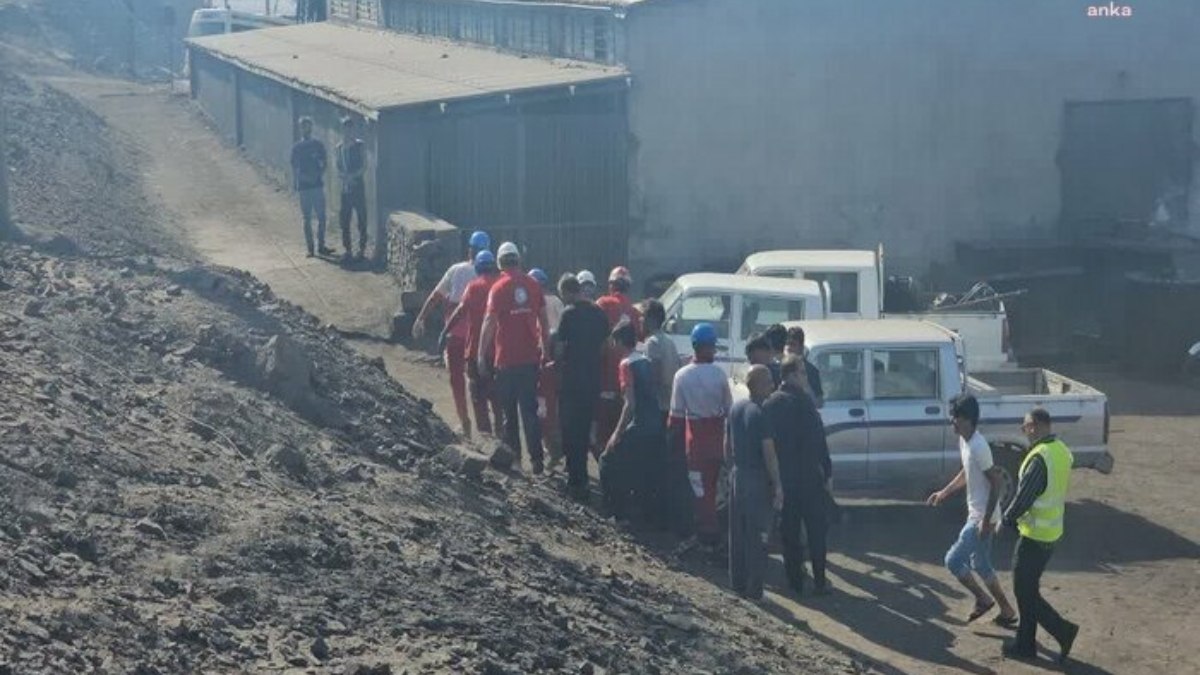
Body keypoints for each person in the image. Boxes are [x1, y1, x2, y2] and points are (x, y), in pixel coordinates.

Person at [928, 394, 1018, 627]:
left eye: (955, 417)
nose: (952, 421)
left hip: (981, 517)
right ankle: (1007, 610)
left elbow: (996, 483)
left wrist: (985, 521)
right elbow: (966, 473)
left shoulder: (979, 446)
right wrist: (944, 492)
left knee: (953, 560)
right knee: (980, 564)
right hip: (978, 514)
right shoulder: (964, 441)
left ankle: (983, 599)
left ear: (967, 419)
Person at [1001, 408, 1079, 664]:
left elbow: (1024, 497)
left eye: (1025, 426)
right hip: (1052, 532)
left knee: (1023, 591)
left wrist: (1006, 519)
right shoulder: (1061, 450)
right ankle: (1027, 643)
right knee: (1028, 589)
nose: (1023, 431)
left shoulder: (1039, 457)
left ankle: (1060, 631)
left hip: (1034, 536)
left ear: (1035, 426)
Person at [478, 242, 551, 473]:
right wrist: (546, 349)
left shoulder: (498, 288)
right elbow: (544, 321)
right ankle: (537, 461)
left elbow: (489, 323)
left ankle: (516, 460)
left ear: (500, 263)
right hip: (530, 359)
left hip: (506, 361)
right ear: (518, 260)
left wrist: (481, 354)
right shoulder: (533, 285)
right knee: (529, 411)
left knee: (509, 413)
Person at [765, 355, 833, 595]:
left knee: (790, 532)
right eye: (803, 373)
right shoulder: (805, 403)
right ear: (791, 375)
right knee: (816, 532)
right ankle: (820, 581)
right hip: (809, 477)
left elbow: (768, 444)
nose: (806, 378)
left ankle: (795, 582)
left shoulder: (771, 404)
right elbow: (820, 441)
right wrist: (827, 472)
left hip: (785, 478)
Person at [413, 230, 491, 437]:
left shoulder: (456, 270)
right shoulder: (492, 278)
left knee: (457, 379)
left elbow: (436, 296)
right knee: (482, 383)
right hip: (480, 338)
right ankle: (488, 429)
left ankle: (465, 423)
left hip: (455, 335)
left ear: (470, 250)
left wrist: (421, 318)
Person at [669, 323, 733, 544]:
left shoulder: (682, 375)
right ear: (708, 347)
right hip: (717, 438)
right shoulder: (719, 374)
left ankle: (705, 530)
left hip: (695, 441)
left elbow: (675, 417)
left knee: (698, 487)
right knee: (716, 486)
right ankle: (714, 529)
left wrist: (670, 444)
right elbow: (729, 409)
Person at [727, 365, 784, 600]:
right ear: (759, 385)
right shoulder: (761, 414)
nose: (773, 385)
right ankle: (755, 590)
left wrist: (730, 469)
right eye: (769, 381)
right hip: (756, 479)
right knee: (757, 535)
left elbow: (727, 444)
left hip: (737, 474)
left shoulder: (736, 408)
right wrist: (777, 485)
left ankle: (737, 583)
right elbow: (769, 453)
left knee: (737, 533)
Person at [599, 322, 664, 521]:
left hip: (639, 423)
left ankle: (615, 511)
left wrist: (617, 434)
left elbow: (630, 403)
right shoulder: (645, 361)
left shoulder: (626, 364)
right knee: (643, 469)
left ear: (619, 342)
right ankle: (645, 515)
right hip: (655, 424)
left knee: (607, 461)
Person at [554, 274, 610, 500]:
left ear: (568, 292)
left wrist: (559, 364)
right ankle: (584, 476)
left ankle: (576, 479)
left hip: (572, 380)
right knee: (586, 427)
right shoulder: (599, 313)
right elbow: (606, 345)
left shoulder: (568, 314)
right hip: (592, 379)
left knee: (570, 429)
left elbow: (559, 348)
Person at [441, 250, 503, 436]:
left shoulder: (473, 287)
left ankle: (486, 436)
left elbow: (459, 311)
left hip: (475, 350)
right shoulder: (501, 285)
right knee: (497, 396)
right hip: (499, 351)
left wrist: (445, 332)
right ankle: (502, 433)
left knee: (478, 396)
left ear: (477, 267)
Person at [595, 267, 644, 458]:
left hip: (603, 378)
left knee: (600, 433)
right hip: (625, 384)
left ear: (611, 285)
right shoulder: (634, 312)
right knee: (620, 431)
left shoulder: (602, 304)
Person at [529, 268, 563, 469]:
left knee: (543, 409)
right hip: (555, 356)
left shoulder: (534, 301)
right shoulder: (556, 301)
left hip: (543, 355)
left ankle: (552, 448)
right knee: (550, 408)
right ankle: (553, 448)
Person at [289, 117, 330, 258]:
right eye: (303, 126)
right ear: (300, 128)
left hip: (317, 185)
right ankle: (310, 248)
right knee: (307, 218)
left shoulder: (318, 145)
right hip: (305, 187)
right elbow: (294, 168)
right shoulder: (297, 148)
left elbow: (325, 163)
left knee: (322, 217)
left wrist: (318, 174)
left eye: (307, 126)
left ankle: (321, 246)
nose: (305, 129)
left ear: (311, 127)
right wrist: (303, 179)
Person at [335, 116, 368, 262]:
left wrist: (353, 176)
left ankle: (362, 249)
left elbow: (364, 166)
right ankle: (348, 250)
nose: (347, 131)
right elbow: (337, 168)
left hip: (358, 187)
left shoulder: (360, 145)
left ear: (353, 129)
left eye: (350, 128)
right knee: (345, 220)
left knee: (362, 219)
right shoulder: (339, 148)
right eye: (345, 128)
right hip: (345, 188)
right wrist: (344, 177)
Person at [642, 300, 680, 420]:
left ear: (651, 319)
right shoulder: (669, 340)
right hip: (670, 401)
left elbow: (653, 375)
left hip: (657, 404)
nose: (640, 320)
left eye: (642, 316)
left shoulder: (652, 343)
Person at [785, 325, 824, 407]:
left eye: (793, 344)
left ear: (801, 347)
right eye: (787, 344)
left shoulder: (811, 371)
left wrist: (805, 384)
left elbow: (819, 402)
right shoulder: (780, 368)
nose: (789, 348)